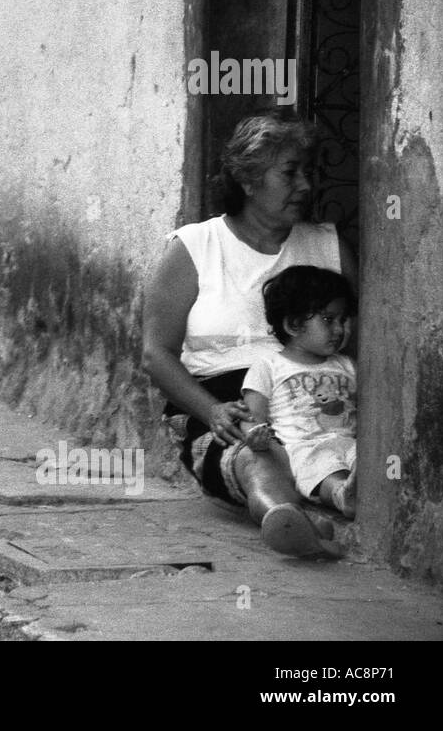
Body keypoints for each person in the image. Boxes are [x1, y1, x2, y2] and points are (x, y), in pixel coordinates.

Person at [141, 109, 357, 557]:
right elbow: (155, 354)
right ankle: (282, 516)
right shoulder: (195, 247)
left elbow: (365, 340)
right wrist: (215, 411)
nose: (305, 186)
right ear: (248, 178)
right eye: (290, 173)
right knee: (254, 452)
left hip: (318, 392)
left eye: (308, 172)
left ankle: (313, 509)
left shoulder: (327, 245)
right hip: (227, 399)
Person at [242, 266, 358, 518]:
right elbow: (252, 415)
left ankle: (362, 489)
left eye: (342, 319)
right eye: (328, 319)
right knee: (324, 470)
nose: (339, 329)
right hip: (304, 449)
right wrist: (256, 437)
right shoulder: (269, 366)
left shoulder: (347, 366)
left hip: (349, 441)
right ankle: (341, 495)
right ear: (294, 325)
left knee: (365, 458)